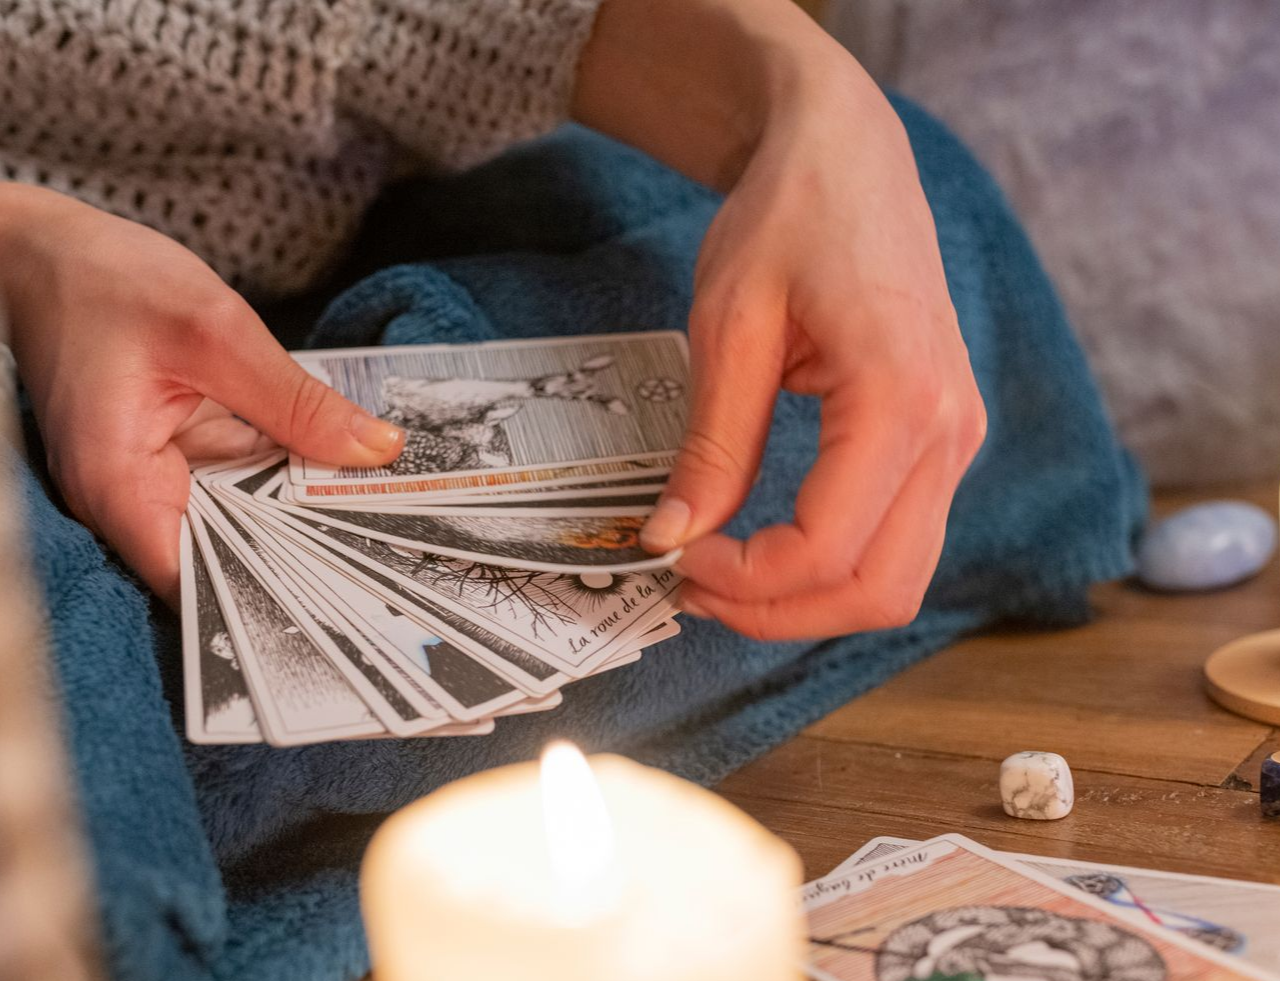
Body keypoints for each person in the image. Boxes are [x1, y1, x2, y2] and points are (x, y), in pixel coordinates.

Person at [0, 0, 985, 640]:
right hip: (57, 384)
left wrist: (812, 101)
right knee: (61, 631)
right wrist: (31, 250)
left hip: (362, 220)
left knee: (923, 201)